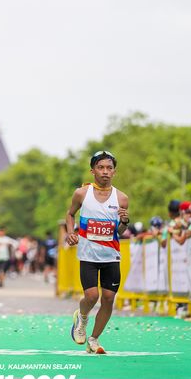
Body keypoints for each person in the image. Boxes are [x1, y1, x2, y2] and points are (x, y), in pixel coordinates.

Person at [65, 151, 129, 354]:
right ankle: (82, 318)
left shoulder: (122, 198)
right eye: (101, 167)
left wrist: (124, 221)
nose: (105, 172)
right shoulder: (82, 193)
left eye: (109, 168)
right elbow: (70, 214)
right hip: (88, 255)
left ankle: (94, 339)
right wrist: (70, 232)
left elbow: (120, 231)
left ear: (114, 172)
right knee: (92, 296)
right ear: (92, 170)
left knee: (109, 298)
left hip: (111, 255)